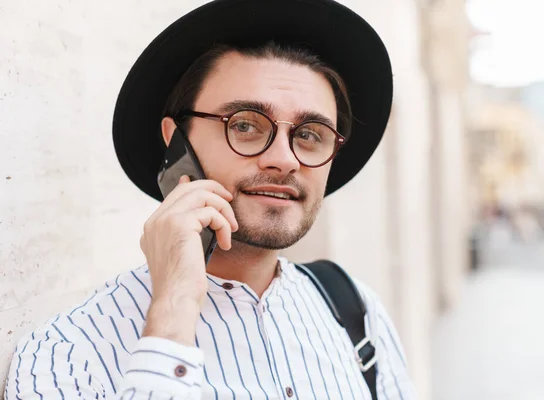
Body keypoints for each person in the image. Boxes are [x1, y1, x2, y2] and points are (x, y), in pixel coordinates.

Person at [5, 0, 415, 399]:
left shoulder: (356, 314)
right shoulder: (67, 353)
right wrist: (173, 312)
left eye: (309, 134)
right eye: (246, 125)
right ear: (175, 141)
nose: (284, 160)